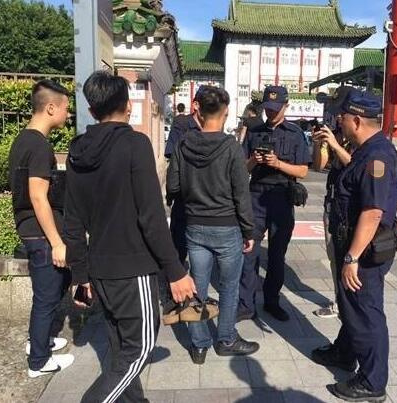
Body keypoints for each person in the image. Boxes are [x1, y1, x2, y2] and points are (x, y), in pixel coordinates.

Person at [64, 71, 196, 403]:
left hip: (100, 268)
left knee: (121, 346)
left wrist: (80, 275)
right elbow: (151, 216)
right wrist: (175, 271)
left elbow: (73, 221)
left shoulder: (77, 151)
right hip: (133, 269)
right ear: (128, 106)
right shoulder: (135, 144)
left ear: (92, 111)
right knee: (139, 349)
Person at [310, 91, 397, 402]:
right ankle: (344, 352)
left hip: (364, 250)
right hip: (353, 242)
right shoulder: (366, 150)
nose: (338, 122)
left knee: (365, 311)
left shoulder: (377, 156)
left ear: (356, 120)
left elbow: (373, 212)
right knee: (352, 305)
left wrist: (351, 258)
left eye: (342, 118)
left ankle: (372, 381)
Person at [167, 86, 259, 365]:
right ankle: (226, 339)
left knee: (197, 286)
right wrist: (249, 230)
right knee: (229, 287)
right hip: (227, 226)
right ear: (226, 112)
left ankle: (199, 345)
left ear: (199, 111)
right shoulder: (231, 147)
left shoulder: (184, 144)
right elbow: (241, 193)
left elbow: (173, 186)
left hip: (194, 225)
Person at [8, 79, 74, 378]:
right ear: (50, 108)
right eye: (65, 108)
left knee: (53, 289)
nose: (67, 115)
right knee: (47, 296)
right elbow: (37, 196)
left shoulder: (23, 140)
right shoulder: (38, 146)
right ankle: (38, 361)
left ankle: (39, 340)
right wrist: (57, 241)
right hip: (41, 233)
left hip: (33, 230)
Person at [238, 86, 311, 322]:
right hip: (256, 196)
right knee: (248, 252)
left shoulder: (295, 133)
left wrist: (278, 163)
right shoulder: (254, 131)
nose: (270, 113)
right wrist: (254, 160)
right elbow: (241, 169)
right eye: (267, 109)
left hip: (282, 197)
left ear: (285, 106)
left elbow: (303, 171)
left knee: (277, 255)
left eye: (275, 109)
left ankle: (272, 301)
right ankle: (246, 305)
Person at [311, 87, 355, 319]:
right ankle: (340, 300)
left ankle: (349, 304)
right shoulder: (336, 134)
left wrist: (336, 147)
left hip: (352, 208)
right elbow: (319, 165)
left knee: (350, 257)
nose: (337, 116)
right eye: (336, 112)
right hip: (333, 202)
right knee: (333, 255)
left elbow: (356, 166)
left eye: (341, 112)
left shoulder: (362, 138)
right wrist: (319, 144)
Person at [165, 90, 204, 264]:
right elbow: (172, 157)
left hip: (206, 199)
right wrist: (171, 191)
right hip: (184, 195)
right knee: (178, 247)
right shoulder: (181, 124)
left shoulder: (214, 128)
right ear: (196, 105)